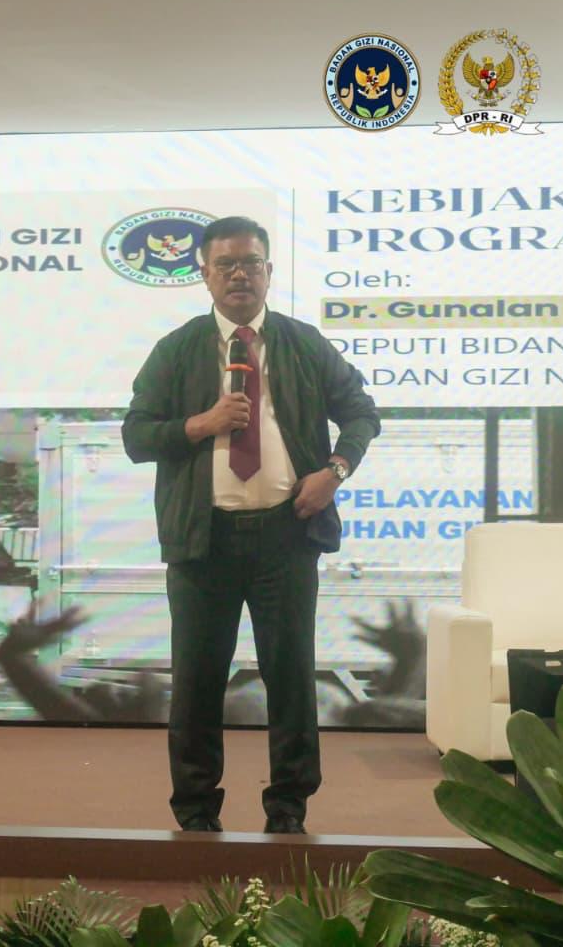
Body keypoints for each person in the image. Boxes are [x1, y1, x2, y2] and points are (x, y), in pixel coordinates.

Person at [122, 216, 381, 834]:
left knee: (290, 677)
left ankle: (288, 809)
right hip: (202, 540)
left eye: (251, 263)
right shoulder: (177, 349)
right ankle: (195, 811)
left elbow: (361, 413)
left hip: (286, 535)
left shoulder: (303, 342)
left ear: (269, 271)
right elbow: (136, 436)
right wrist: (201, 424)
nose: (239, 274)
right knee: (197, 680)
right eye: (226, 264)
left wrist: (335, 471)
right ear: (204, 275)